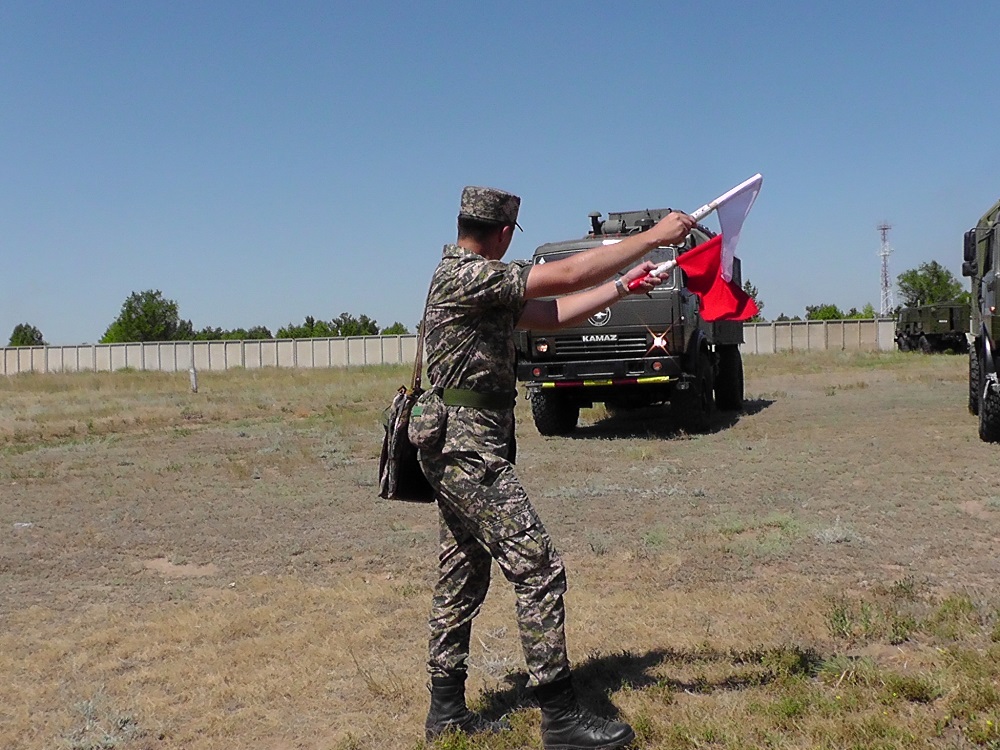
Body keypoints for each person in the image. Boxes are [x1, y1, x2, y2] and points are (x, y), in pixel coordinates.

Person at [416, 185, 695, 749]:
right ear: (501, 234)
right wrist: (650, 240)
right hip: (466, 447)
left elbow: (551, 313)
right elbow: (563, 279)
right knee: (538, 567)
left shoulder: (475, 281)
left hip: (462, 445)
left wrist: (622, 287)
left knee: (463, 570)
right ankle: (561, 718)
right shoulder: (468, 275)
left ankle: (445, 711)